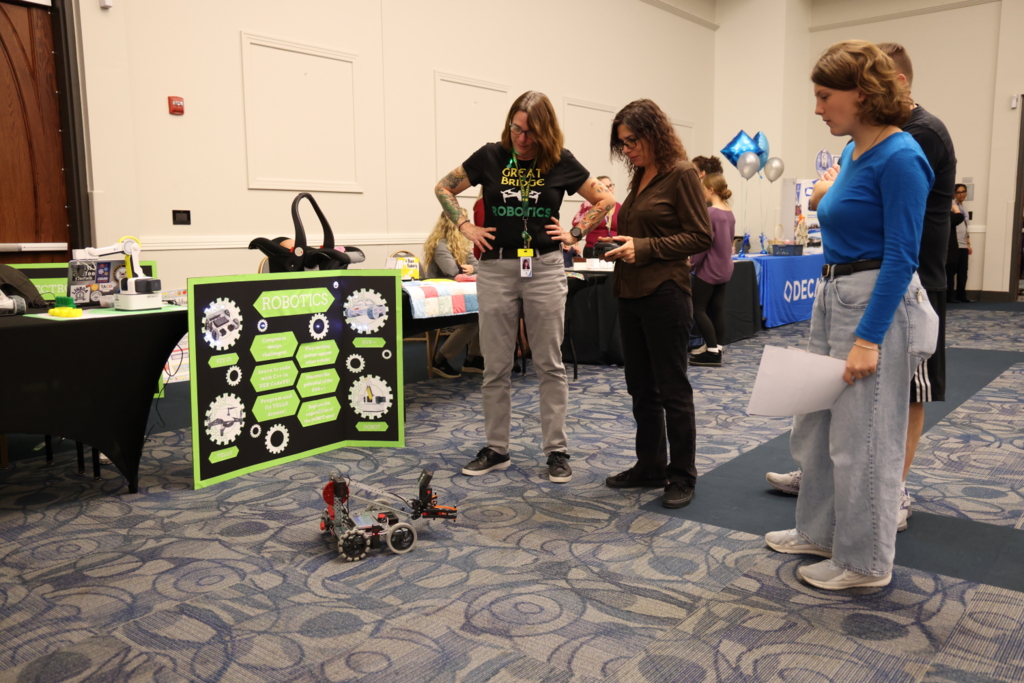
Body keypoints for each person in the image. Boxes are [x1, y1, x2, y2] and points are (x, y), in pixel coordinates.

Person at [765, 40, 937, 590]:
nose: (818, 108)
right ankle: (819, 532)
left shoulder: (902, 156)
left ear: (860, 94)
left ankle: (864, 563)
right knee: (816, 426)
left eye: (824, 96)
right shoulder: (854, 154)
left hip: (875, 304)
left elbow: (901, 257)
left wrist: (869, 338)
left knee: (864, 438)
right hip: (833, 292)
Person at [433, 91, 614, 483]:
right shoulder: (490, 155)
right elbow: (444, 187)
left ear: (546, 132)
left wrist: (575, 231)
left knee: (548, 362)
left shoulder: (560, 161)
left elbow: (606, 199)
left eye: (530, 132)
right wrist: (465, 226)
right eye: (516, 128)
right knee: (495, 365)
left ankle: (557, 450)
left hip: (545, 267)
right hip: (496, 267)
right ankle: (497, 449)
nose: (521, 138)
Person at [600, 99, 712, 509]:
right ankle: (650, 465)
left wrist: (644, 247)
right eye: (622, 144)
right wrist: (620, 245)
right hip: (629, 292)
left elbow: (701, 236)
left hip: (665, 292)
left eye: (632, 141)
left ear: (654, 133)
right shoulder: (639, 177)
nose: (626, 149)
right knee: (640, 388)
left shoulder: (681, 173)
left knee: (672, 389)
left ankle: (681, 474)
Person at [422, 212, 484, 378]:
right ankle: (440, 360)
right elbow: (451, 271)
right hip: (440, 298)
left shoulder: (461, 243)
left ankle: (473, 359)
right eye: (464, 220)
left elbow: (477, 266)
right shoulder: (439, 244)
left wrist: (470, 268)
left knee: (480, 316)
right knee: (473, 321)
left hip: (458, 294)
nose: (467, 223)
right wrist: (469, 268)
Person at [690, 173, 735, 367]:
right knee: (717, 308)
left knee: (697, 309)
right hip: (725, 267)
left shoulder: (710, 213)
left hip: (710, 269)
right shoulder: (729, 212)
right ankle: (717, 345)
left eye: (703, 189)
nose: (702, 192)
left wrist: (691, 263)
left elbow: (704, 244)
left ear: (711, 190)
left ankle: (712, 351)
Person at [570, 175, 621, 257]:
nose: (610, 188)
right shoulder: (588, 205)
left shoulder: (620, 207)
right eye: (606, 186)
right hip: (592, 250)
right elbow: (576, 226)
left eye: (611, 185)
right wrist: (575, 244)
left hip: (614, 250)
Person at [947, 184, 974, 302]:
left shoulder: (964, 208)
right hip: (954, 244)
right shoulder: (951, 206)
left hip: (963, 244)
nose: (962, 194)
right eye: (958, 192)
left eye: (964, 192)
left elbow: (966, 227)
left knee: (963, 271)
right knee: (951, 270)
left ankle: (961, 295)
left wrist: (968, 244)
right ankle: (949, 296)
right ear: (953, 194)